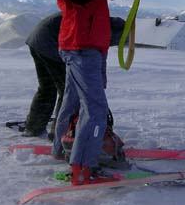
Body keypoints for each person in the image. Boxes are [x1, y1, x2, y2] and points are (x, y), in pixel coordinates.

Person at [52, 0, 165, 185]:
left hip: (78, 44)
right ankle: (82, 166)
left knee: (72, 102)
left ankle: (60, 150)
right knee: (95, 110)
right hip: (83, 47)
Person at [22, 12, 126, 140]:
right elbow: (90, 59)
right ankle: (60, 134)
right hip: (50, 43)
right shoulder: (97, 31)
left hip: (37, 40)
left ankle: (34, 127)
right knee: (66, 90)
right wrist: (99, 85)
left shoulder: (97, 22)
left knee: (47, 87)